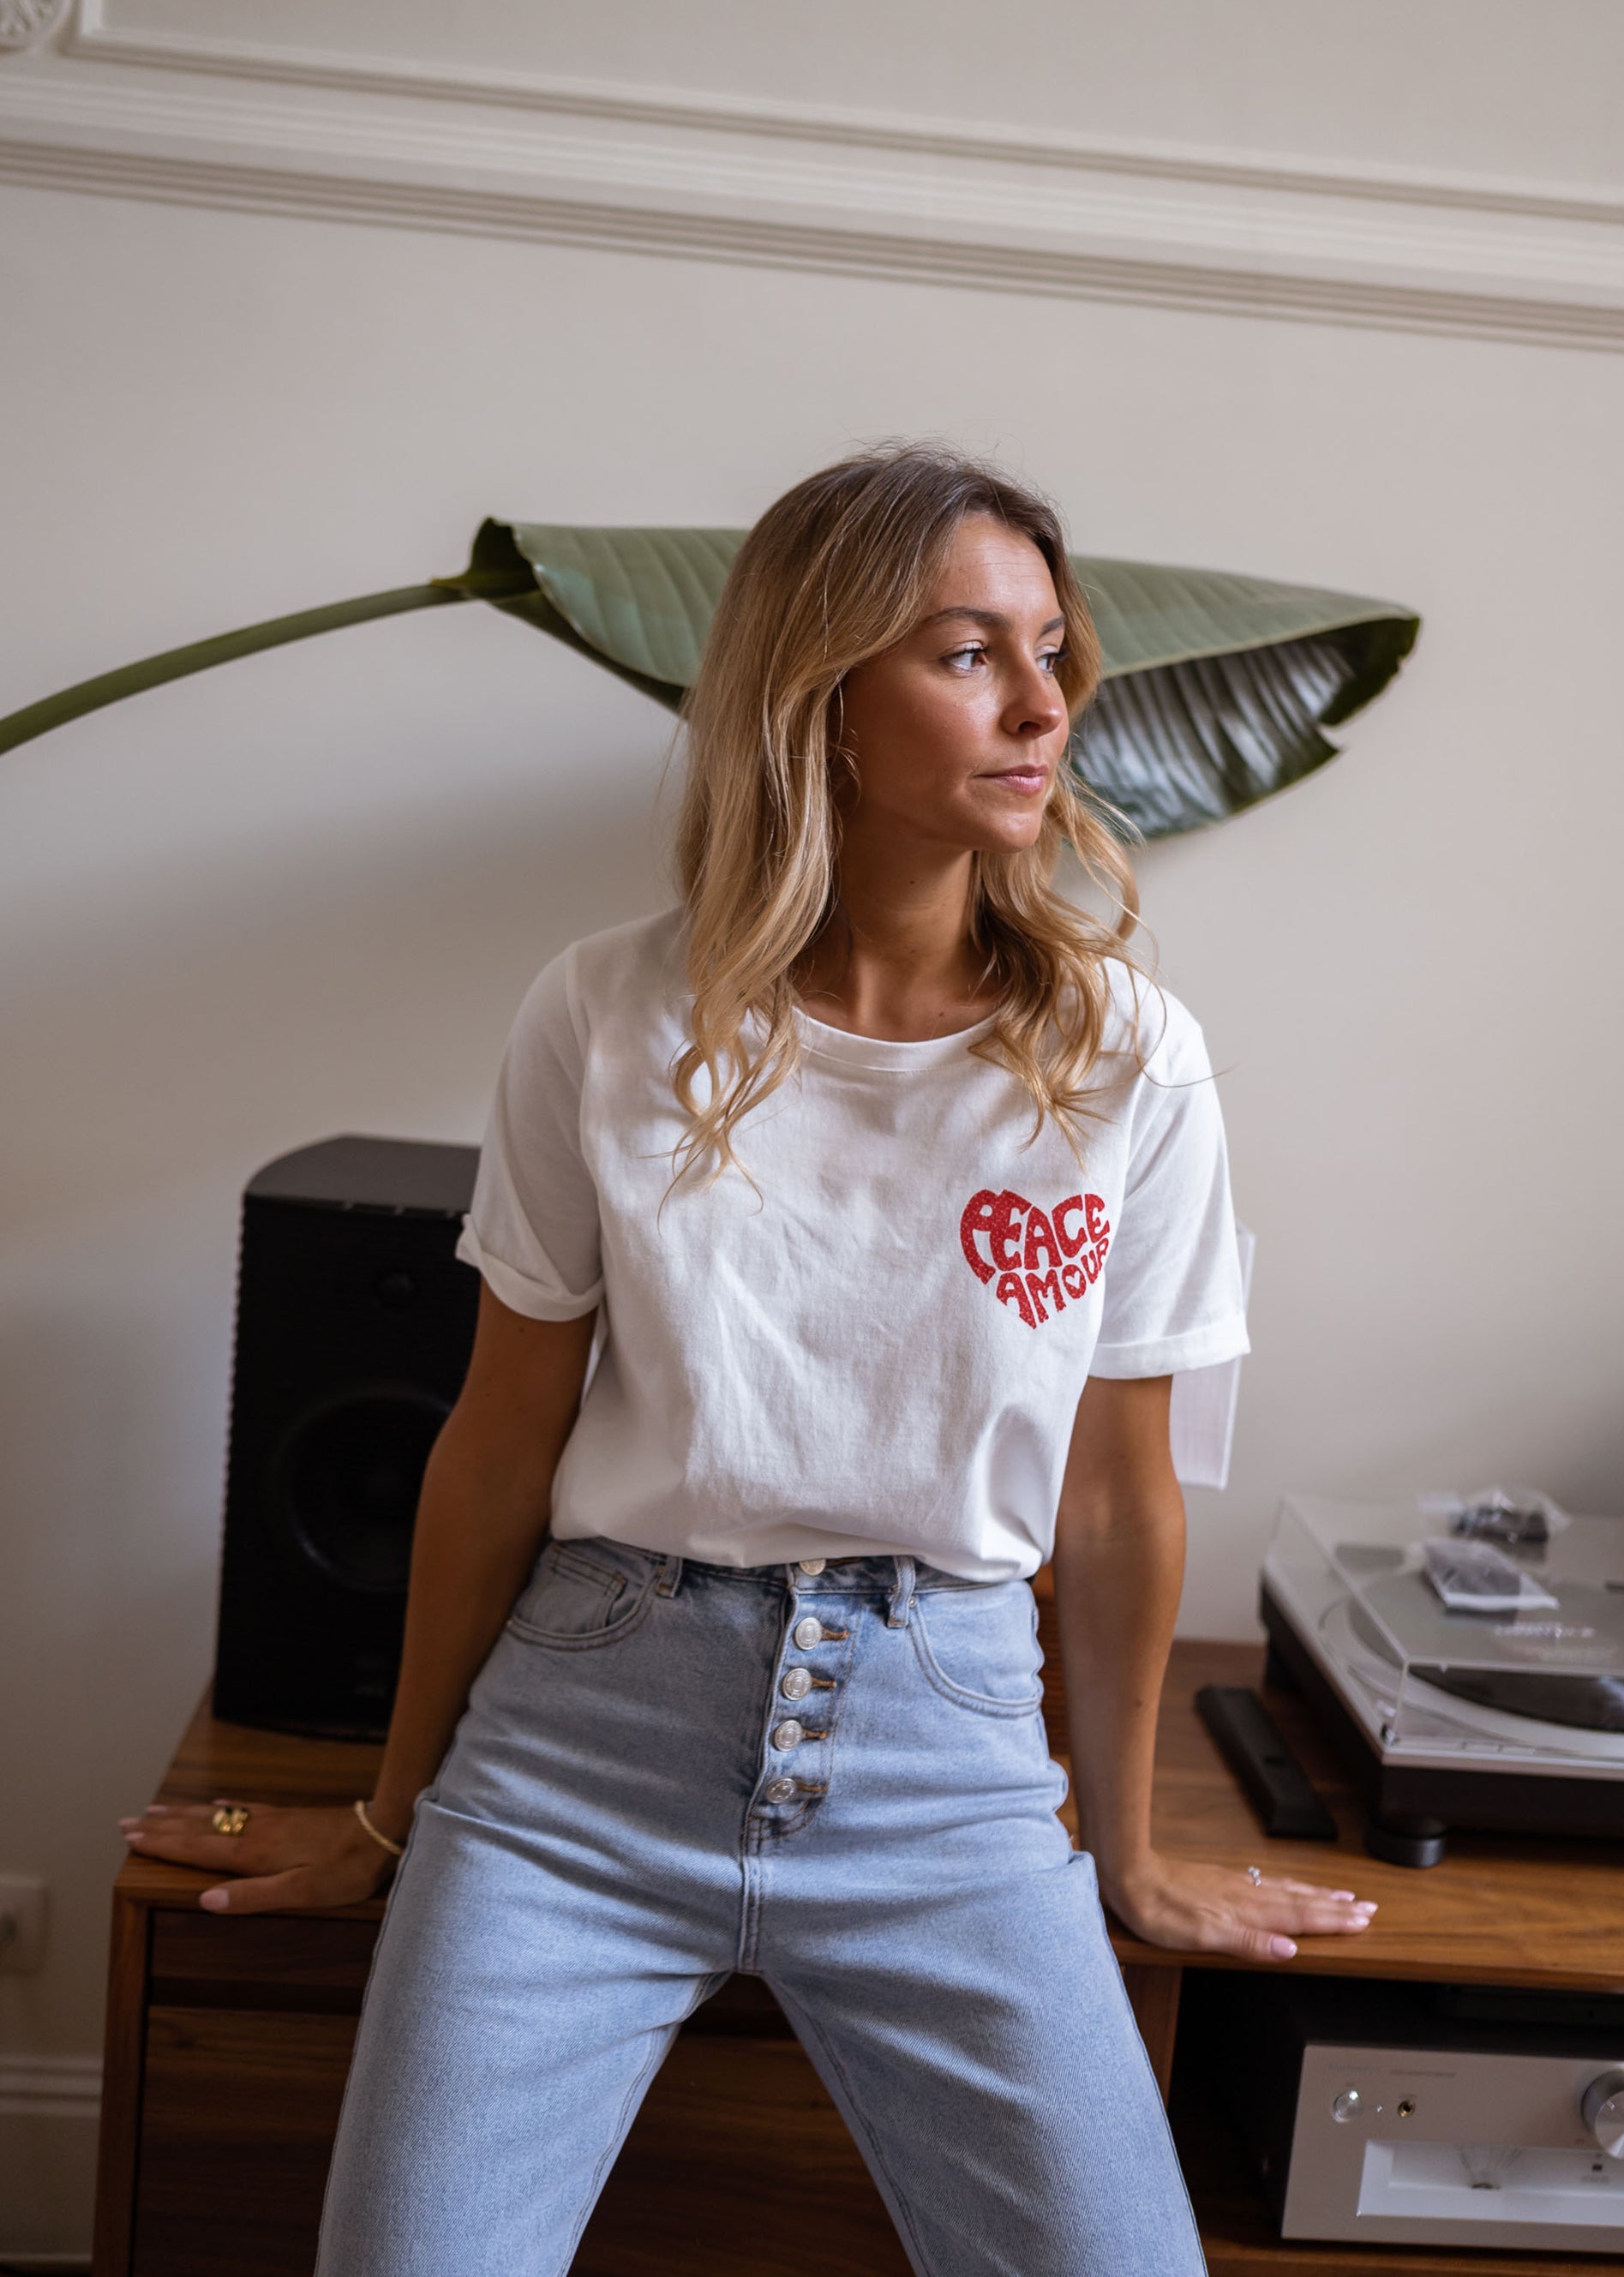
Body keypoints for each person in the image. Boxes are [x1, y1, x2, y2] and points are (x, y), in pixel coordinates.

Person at [120, 445, 1375, 2274]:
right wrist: (389, 1815)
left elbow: (1118, 1496)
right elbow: (497, 1440)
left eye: (1052, 648)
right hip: (575, 1768)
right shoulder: (604, 1013)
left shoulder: (1129, 1059)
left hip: (949, 1777)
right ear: (824, 702)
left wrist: (1134, 1847)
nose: (1046, 704)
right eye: (967, 654)